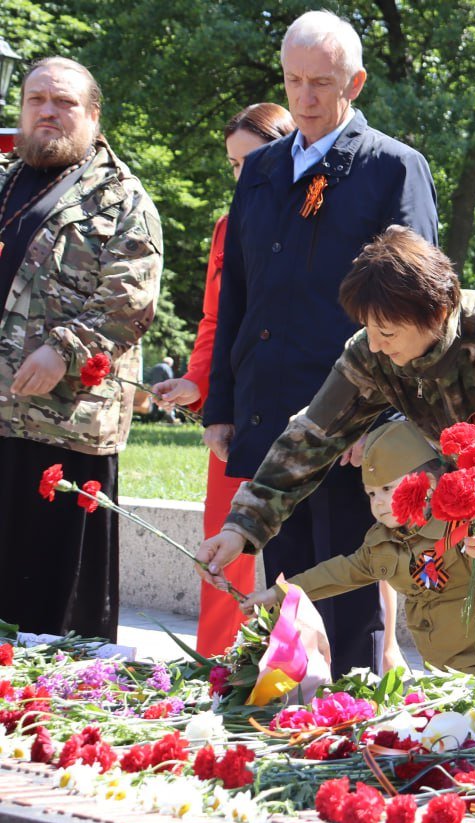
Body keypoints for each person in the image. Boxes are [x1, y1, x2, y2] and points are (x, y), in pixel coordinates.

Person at [197, 226, 475, 703]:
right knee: (454, 590)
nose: (376, 345)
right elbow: (311, 437)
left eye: (387, 331)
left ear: (436, 311)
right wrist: (243, 526)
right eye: (368, 328)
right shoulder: (371, 352)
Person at [201, 10, 438, 677]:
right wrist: (223, 404)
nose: (304, 97)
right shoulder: (260, 171)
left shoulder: (394, 168)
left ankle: (355, 726)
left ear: (354, 82)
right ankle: (298, 719)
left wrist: (391, 418)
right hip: (272, 406)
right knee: (289, 587)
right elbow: (236, 295)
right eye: (293, 80)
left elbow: (419, 305)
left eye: (321, 82)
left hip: (353, 419)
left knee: (351, 585)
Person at [0, 57, 162, 639]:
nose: (48, 111)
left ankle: (51, 701)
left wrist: (62, 350)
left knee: (54, 607)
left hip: (64, 424)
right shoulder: (4, 179)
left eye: (64, 102)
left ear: (93, 115)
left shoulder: (122, 198)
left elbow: (130, 301)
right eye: (36, 99)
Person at [151, 103, 295, 656]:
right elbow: (215, 317)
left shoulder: (323, 215)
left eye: (251, 162)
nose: (242, 178)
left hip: (310, 403)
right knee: (224, 541)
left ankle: (308, 663)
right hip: (237, 406)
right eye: (233, 166)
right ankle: (217, 662)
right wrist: (198, 383)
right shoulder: (226, 227)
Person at [238, 420, 475, 675]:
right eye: (371, 493)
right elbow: (335, 574)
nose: (378, 502)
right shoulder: (383, 542)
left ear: (428, 484)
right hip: (440, 666)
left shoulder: (459, 525)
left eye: (388, 490)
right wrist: (276, 595)